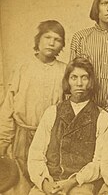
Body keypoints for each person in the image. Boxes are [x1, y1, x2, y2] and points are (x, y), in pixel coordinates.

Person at [0, 20, 66, 194]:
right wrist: (3, 141)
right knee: (18, 184)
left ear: (62, 45)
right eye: (47, 37)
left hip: (52, 137)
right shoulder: (22, 68)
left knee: (46, 183)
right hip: (22, 137)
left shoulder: (65, 71)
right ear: (38, 40)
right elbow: (8, 107)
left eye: (57, 39)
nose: (52, 43)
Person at [28, 57, 108, 195]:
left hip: (82, 182)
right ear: (67, 81)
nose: (79, 83)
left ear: (91, 82)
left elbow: (100, 162)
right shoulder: (52, 112)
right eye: (74, 77)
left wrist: (72, 182)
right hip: (51, 179)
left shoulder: (102, 117)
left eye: (84, 78)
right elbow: (35, 155)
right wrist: (45, 184)